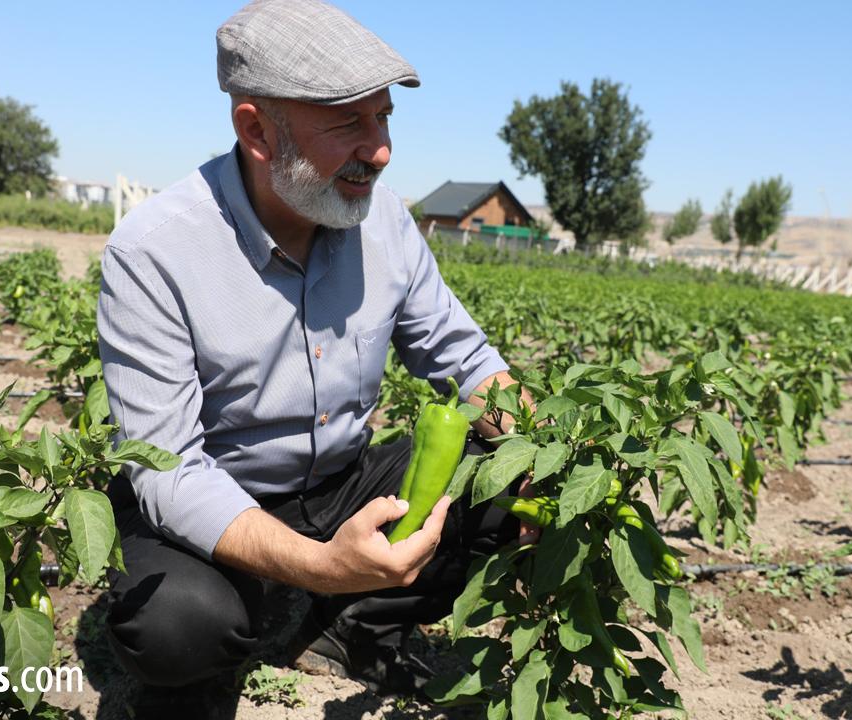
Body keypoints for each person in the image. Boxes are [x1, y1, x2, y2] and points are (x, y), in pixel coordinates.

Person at [96, 0, 535, 714]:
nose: (381, 148)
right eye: (349, 123)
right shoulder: (155, 251)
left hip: (340, 480)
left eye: (384, 117)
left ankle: (353, 631)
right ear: (257, 131)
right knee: (176, 626)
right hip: (214, 504)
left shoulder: (385, 222)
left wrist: (547, 455)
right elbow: (168, 470)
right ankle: (218, 660)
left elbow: (464, 359)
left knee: (502, 490)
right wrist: (320, 566)